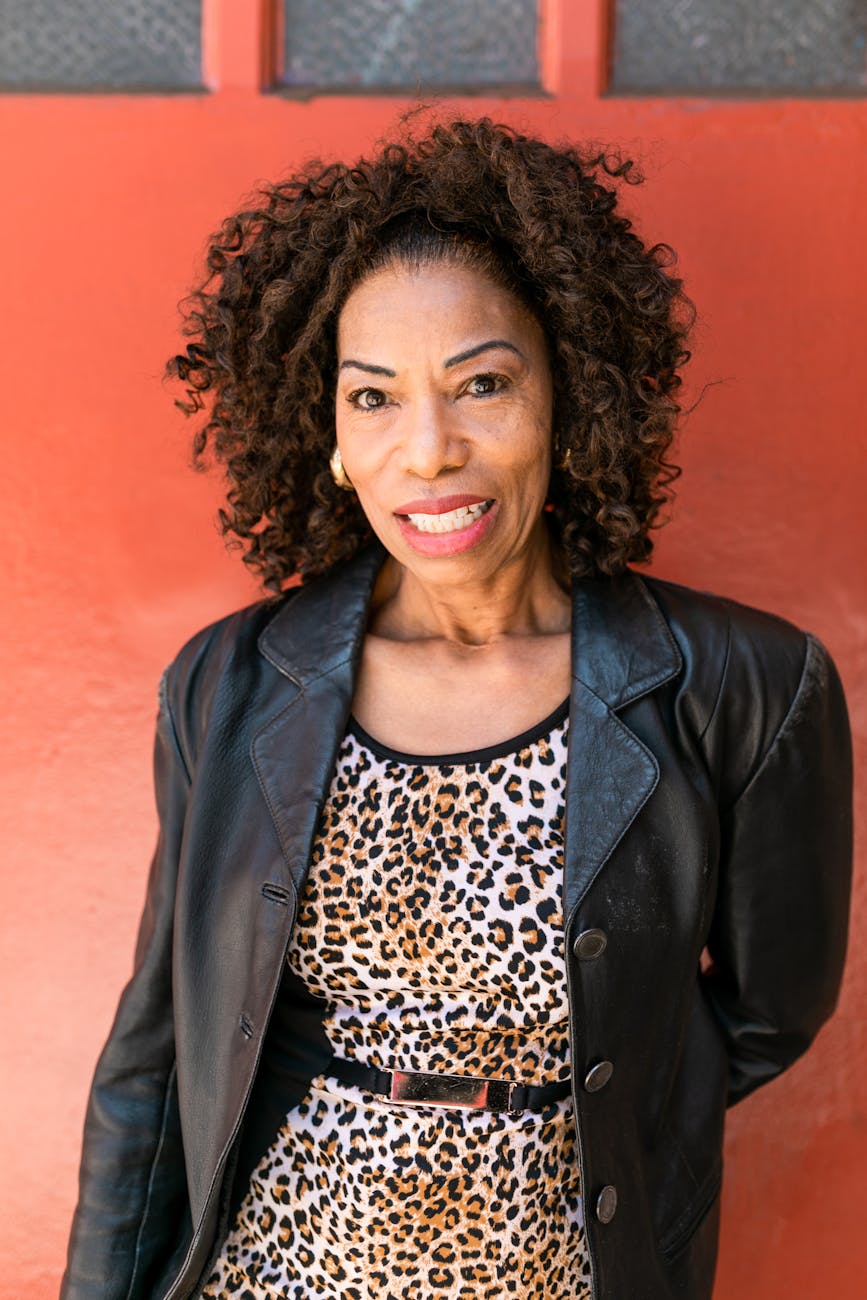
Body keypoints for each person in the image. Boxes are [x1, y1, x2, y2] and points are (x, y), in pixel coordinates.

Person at [61, 117, 853, 1300]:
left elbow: (767, 1011)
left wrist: (589, 1099)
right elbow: (158, 1050)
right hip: (273, 1271)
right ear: (331, 437)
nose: (428, 450)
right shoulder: (230, 683)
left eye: (482, 383)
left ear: (565, 396)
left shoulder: (746, 686)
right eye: (373, 397)